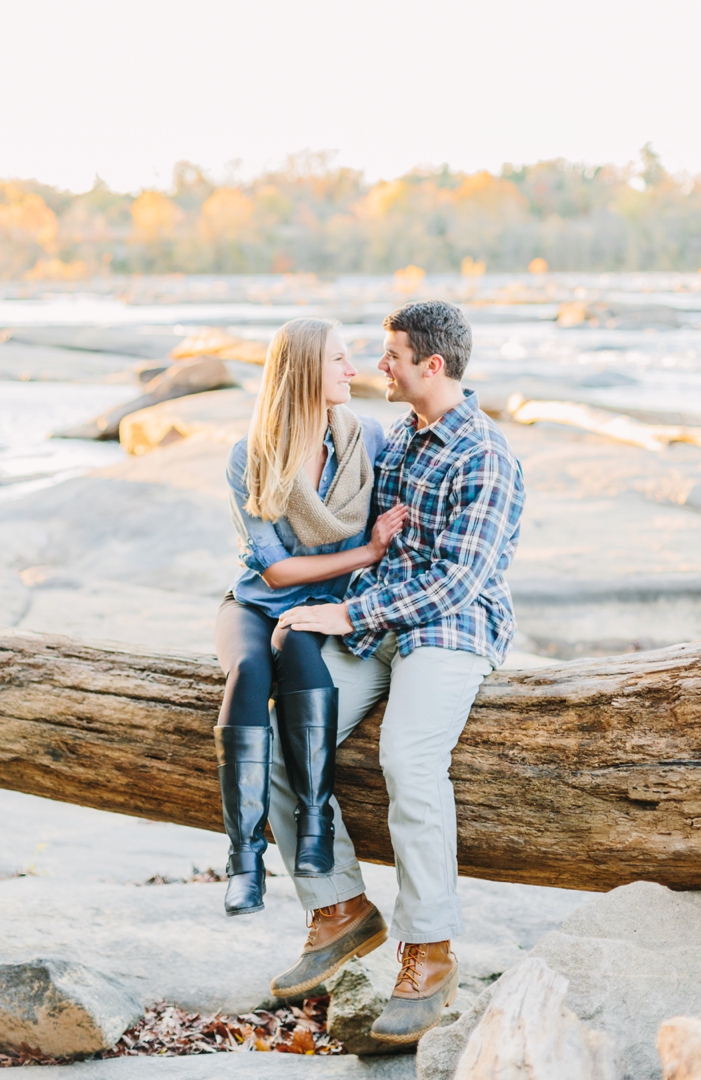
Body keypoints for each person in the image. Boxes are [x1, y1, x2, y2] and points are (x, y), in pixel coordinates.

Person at [267, 301, 525, 1045]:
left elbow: (458, 582)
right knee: (290, 734)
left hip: (450, 629)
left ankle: (430, 951)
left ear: (431, 366)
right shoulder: (402, 438)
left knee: (407, 759)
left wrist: (344, 618)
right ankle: (340, 907)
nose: (380, 366)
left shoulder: (484, 454)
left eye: (392, 356)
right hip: (380, 622)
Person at [213, 317, 406, 918]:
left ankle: (315, 826)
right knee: (248, 669)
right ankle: (244, 862)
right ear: (302, 373)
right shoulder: (253, 456)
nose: (354, 371)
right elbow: (272, 574)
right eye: (339, 361)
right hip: (254, 604)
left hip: (321, 612)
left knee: (299, 653)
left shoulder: (365, 439)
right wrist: (368, 551)